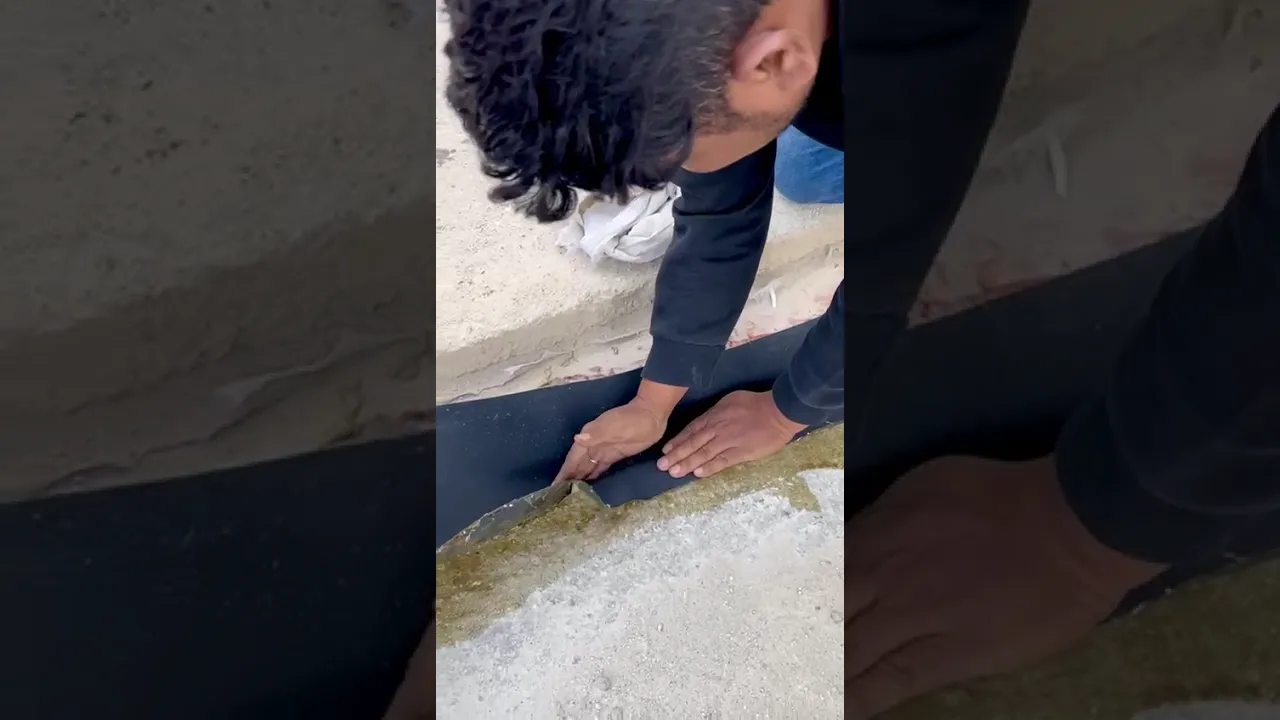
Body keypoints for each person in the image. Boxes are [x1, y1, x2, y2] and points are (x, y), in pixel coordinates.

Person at [441, 0, 1280, 716]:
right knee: (796, 159)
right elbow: (720, 209)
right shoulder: (730, 38)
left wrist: (1097, 530)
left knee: (827, 142)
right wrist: (655, 399)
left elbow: (877, 284)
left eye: (671, 168)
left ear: (775, 57)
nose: (681, 182)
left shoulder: (905, 61)